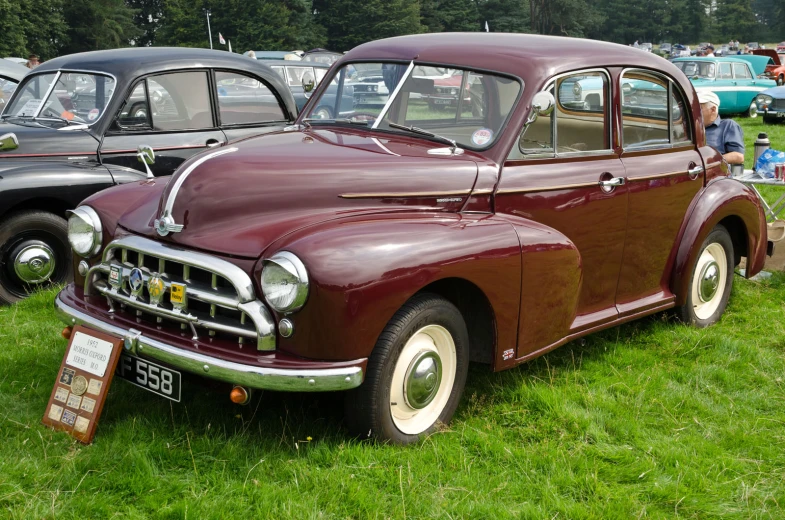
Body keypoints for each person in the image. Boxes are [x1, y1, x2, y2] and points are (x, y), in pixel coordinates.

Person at [699, 90, 744, 165]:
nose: (694, 111)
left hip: (714, 171)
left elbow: (738, 156)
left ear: (713, 109)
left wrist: (709, 161)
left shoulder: (727, 125)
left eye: (699, 108)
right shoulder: (689, 126)